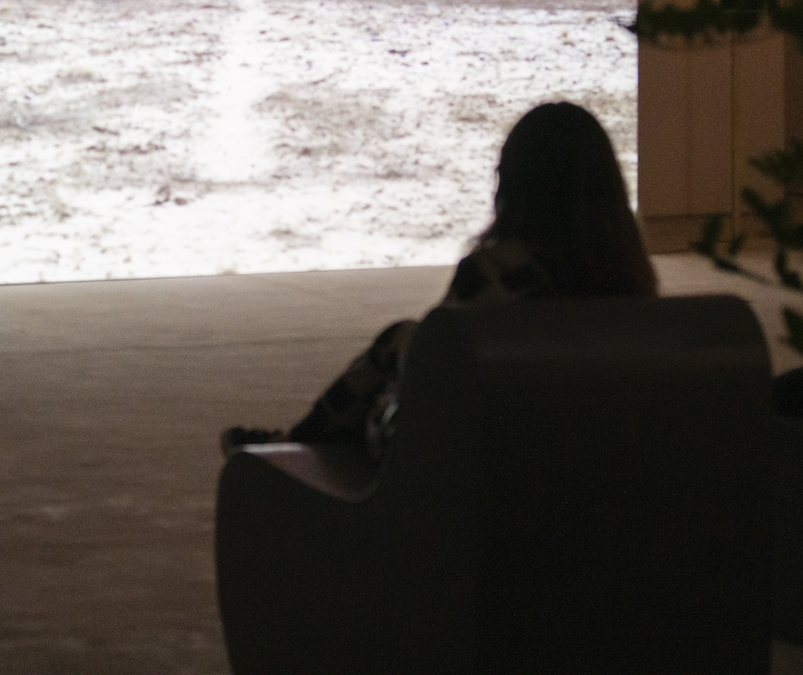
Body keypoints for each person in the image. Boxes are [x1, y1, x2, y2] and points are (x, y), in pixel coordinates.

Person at [221, 101, 658, 459]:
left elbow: (438, 364)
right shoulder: (631, 279)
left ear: (513, 184)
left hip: (476, 455)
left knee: (399, 345)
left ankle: (300, 442)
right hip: (583, 450)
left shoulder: (496, 273)